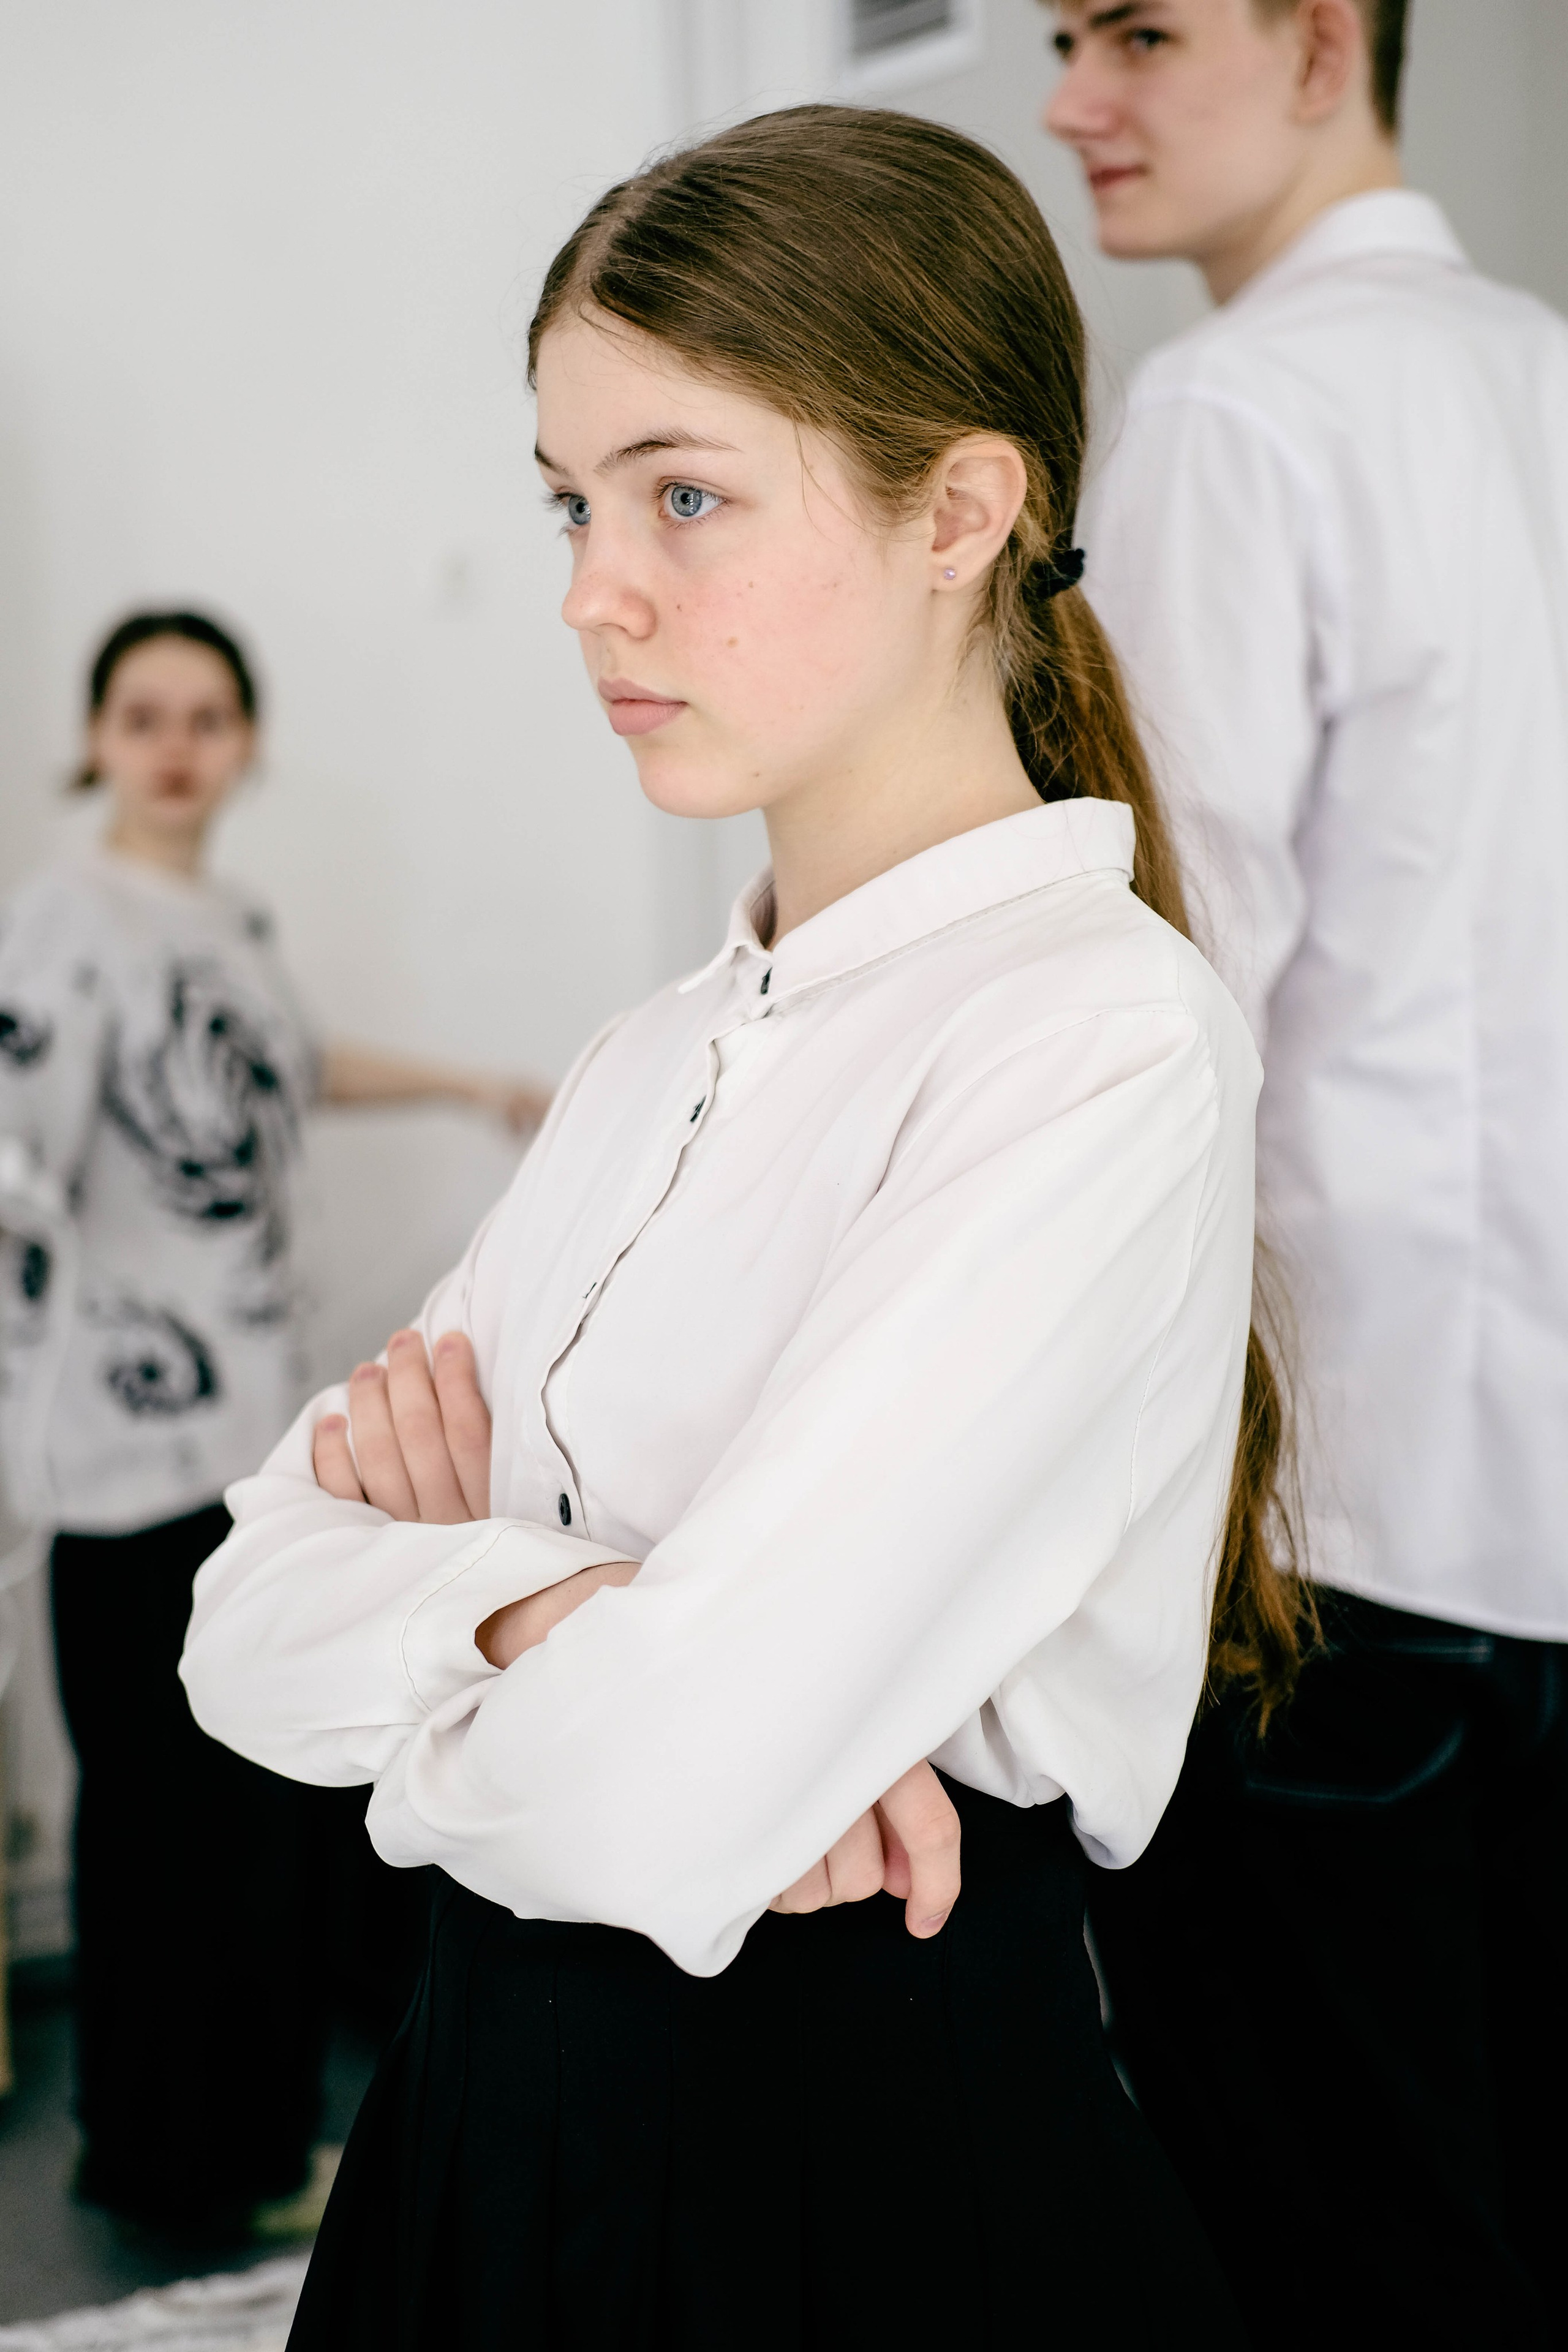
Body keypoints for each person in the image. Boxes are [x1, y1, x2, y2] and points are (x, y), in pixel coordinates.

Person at [181, 108, 1310, 2348]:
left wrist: (465, 1615)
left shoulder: (1095, 1047)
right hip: (485, 2140)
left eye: (683, 493)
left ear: (960, 512)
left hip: (840, 2176)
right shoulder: (644, 1057)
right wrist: (561, 1614)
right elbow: (237, 1621)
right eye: (571, 501)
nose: (594, 586)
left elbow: (657, 1787)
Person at [1044, 3, 1568, 2343]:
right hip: (1536, 1523)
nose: (1076, 98)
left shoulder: (1237, 414)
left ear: (1326, 38)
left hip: (1318, 1542)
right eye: (1061, 37)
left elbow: (1157, 1005)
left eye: (1138, 31)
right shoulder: (1545, 378)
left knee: (1332, 2256)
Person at [0, 608, 551, 2239]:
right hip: (122, 1457)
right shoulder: (64, 922)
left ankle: (190, 2142)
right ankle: (187, 2164)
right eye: (143, 714)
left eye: (206, 716)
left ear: (246, 744)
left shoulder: (218, 919)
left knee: (226, 1811)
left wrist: (471, 1084)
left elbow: (287, 1068)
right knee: (174, 1827)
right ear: (96, 737)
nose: (174, 744)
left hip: (231, 1444)